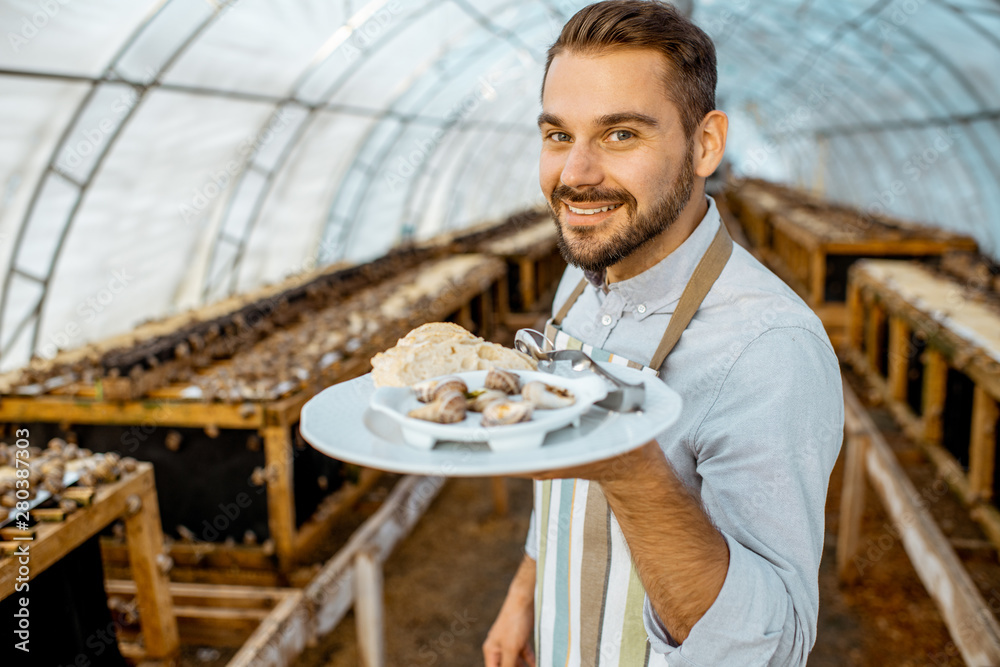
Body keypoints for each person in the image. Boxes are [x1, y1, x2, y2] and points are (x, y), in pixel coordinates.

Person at [482, 2, 844, 666]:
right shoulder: (579, 282)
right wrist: (526, 591)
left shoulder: (769, 347)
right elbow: (563, 485)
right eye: (558, 135)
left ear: (705, 144)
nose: (575, 175)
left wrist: (631, 467)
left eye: (621, 134)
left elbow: (771, 646)